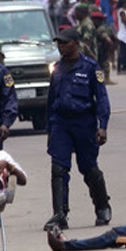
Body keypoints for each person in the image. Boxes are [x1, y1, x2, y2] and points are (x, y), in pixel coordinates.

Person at [44, 28, 111, 231]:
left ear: (76, 43)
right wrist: (50, 129)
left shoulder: (90, 67)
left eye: (65, 42)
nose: (61, 46)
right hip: (61, 124)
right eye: (59, 43)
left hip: (84, 123)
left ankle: (102, 206)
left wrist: (103, 126)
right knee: (58, 169)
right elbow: (51, 101)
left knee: (88, 167)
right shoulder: (57, 68)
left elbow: (101, 98)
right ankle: (60, 214)